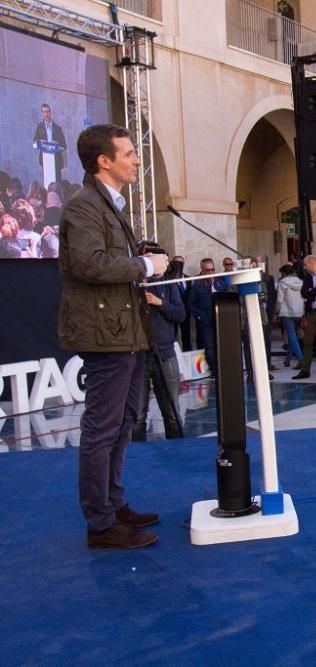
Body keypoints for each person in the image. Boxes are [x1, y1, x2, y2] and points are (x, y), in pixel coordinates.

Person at [58, 124, 168, 549]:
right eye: (128, 154)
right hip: (105, 333)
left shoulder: (110, 205)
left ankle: (113, 504)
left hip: (125, 330)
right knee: (102, 428)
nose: (137, 159)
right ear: (104, 161)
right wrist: (144, 267)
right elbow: (89, 264)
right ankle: (101, 523)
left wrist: (141, 262)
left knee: (124, 422)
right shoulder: (84, 206)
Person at [133, 272, 185, 442]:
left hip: (165, 353)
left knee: (171, 411)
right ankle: (137, 456)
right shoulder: (132, 283)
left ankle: (178, 453)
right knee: (137, 414)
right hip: (139, 356)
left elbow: (180, 314)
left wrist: (160, 303)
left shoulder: (168, 283)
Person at [187, 258, 228, 374]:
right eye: (207, 270)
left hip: (220, 320)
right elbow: (191, 304)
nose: (210, 272)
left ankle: (224, 368)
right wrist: (199, 316)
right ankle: (215, 370)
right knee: (209, 347)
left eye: (212, 270)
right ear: (202, 270)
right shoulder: (197, 285)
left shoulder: (220, 283)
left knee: (222, 345)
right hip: (206, 321)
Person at [276, 264, 304, 368]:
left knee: (291, 335)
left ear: (283, 273)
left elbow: (279, 300)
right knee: (293, 336)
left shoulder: (282, 283)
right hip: (299, 312)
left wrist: (277, 311)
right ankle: (287, 359)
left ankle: (301, 359)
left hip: (287, 312)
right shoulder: (300, 282)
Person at [32, 103, 67, 187]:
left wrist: (56, 145)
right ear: (42, 113)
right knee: (47, 184)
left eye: (47, 112)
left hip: (56, 160)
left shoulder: (57, 128)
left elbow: (64, 145)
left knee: (57, 183)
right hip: (45, 160)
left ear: (50, 113)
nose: (46, 114)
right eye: (44, 112)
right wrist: (40, 142)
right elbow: (34, 142)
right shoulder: (40, 127)